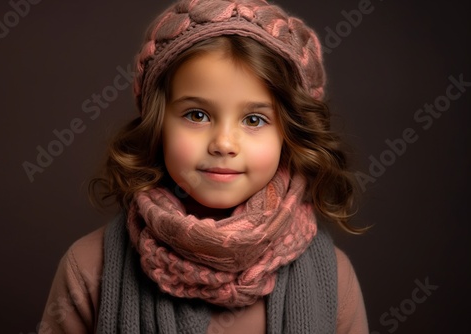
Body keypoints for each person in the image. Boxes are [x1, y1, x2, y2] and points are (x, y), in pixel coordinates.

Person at [40, 0, 369, 333]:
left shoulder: (333, 277)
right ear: (158, 125)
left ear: (289, 134)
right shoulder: (89, 267)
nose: (224, 144)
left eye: (254, 119)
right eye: (197, 115)